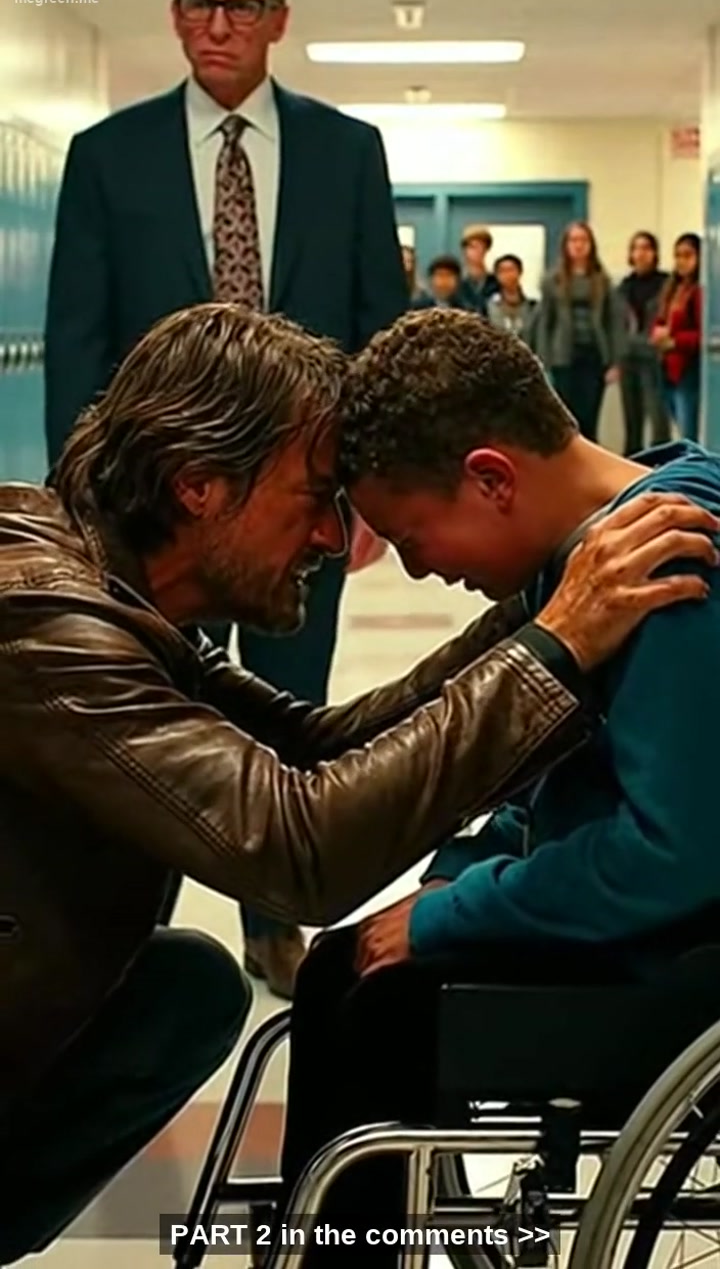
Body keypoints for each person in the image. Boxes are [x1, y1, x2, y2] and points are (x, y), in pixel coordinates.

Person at [0, 302, 715, 1264]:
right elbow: (298, 846)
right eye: (314, 497)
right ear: (200, 484)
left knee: (221, 987)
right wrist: (551, 640)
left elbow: (315, 745)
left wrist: (542, 624)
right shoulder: (51, 627)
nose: (336, 540)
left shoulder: (113, 595)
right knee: (317, 980)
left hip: (667, 953)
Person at [274, 307, 720, 1265]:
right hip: (639, 921)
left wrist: (451, 915)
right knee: (342, 965)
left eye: (412, 535)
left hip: (684, 959)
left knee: (378, 1008)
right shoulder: (593, 551)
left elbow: (672, 855)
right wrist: (456, 876)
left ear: (491, 477)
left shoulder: (666, 563)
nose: (420, 568)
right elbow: (548, 781)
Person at [43, 0, 408, 995]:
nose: (218, 24)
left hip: (302, 496)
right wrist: (82, 508)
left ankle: (274, 920)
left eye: (240, 5)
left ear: (277, 20)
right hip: (158, 505)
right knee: (143, 713)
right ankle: (126, 924)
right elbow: (76, 337)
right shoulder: (108, 157)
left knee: (291, 700)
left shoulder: (347, 152)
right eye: (198, 3)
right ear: (174, 15)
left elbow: (378, 329)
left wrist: (369, 492)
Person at [534, 220, 627, 442]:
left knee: (590, 417)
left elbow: (614, 322)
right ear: (566, 245)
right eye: (573, 240)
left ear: (591, 245)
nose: (578, 245)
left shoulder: (602, 280)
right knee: (566, 418)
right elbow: (545, 323)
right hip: (563, 357)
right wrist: (543, 361)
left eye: (583, 240)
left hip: (594, 356)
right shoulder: (552, 280)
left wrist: (615, 362)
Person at [618, 231, 670, 455]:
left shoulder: (666, 284)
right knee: (632, 419)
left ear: (654, 253)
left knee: (658, 417)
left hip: (654, 357)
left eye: (646, 248)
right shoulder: (623, 287)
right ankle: (632, 463)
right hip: (628, 356)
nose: (641, 253)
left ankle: (663, 463)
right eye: (636, 248)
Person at [651, 233, 702, 442]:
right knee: (679, 427)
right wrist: (657, 332)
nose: (682, 261)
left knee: (688, 432)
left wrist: (675, 341)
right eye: (678, 256)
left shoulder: (700, 291)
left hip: (688, 368)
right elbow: (660, 318)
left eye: (688, 255)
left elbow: (704, 333)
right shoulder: (673, 288)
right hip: (668, 368)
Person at [485, 253, 537, 343]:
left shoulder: (532, 305)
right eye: (502, 271)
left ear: (520, 272)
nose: (507, 275)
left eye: (511, 270)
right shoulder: (488, 305)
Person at [458, 224, 499, 313]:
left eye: (481, 246)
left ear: (486, 249)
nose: (477, 251)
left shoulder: (495, 281)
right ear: (464, 250)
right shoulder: (456, 280)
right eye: (472, 247)